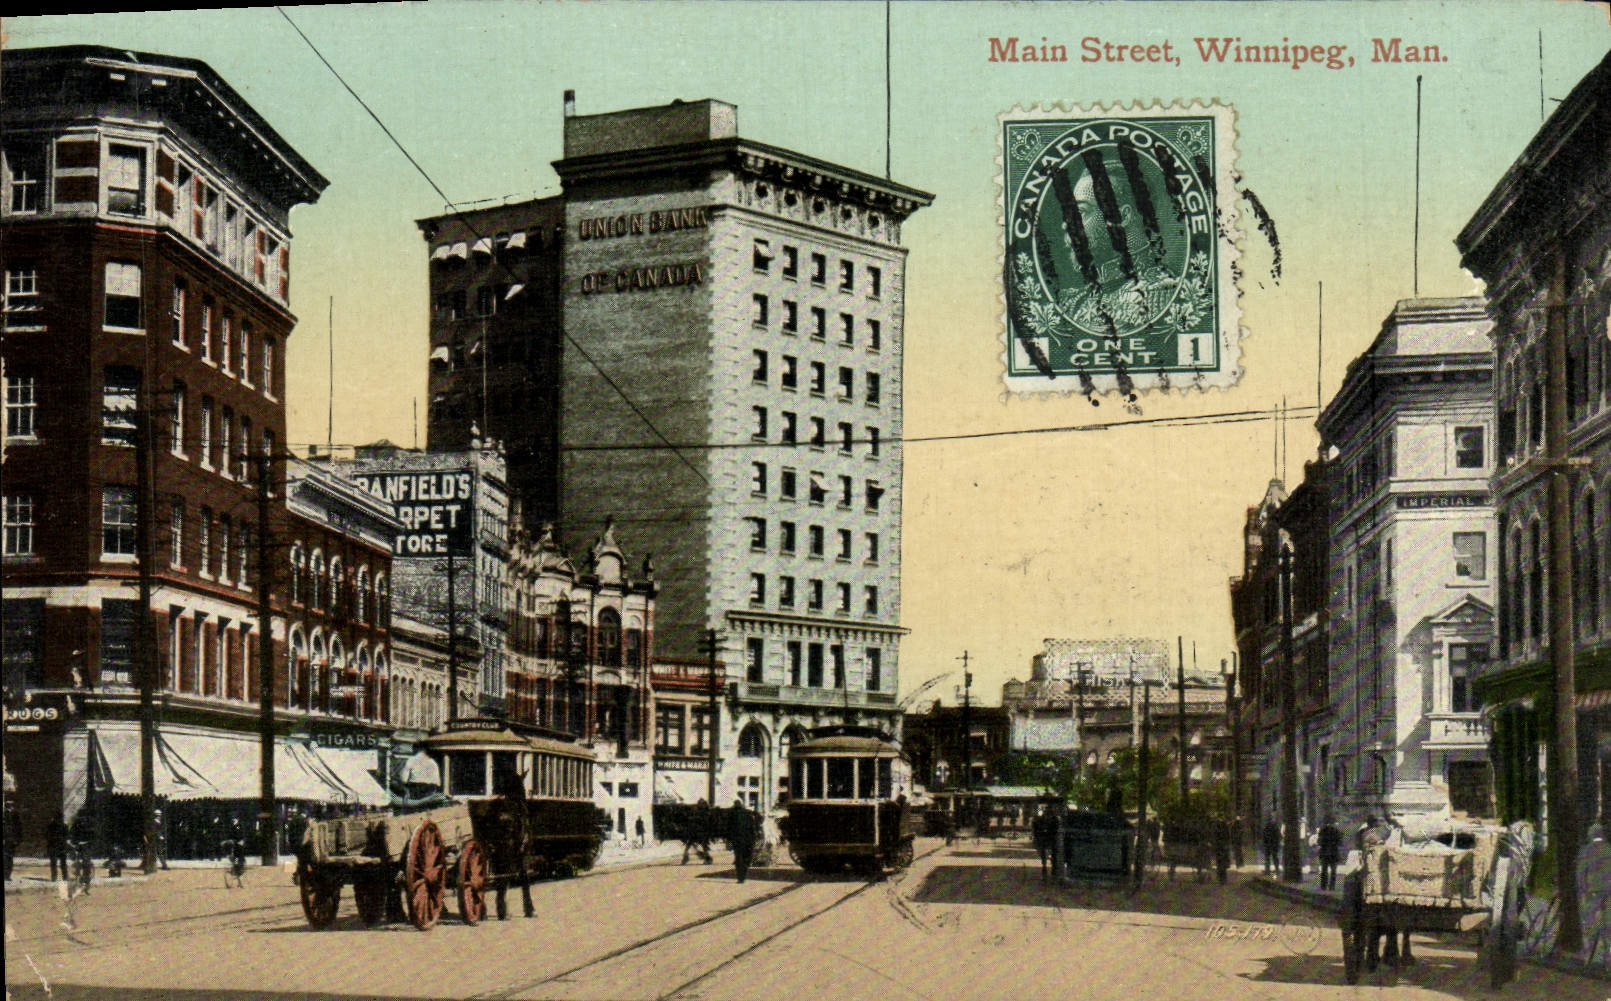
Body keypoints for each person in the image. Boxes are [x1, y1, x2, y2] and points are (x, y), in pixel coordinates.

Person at [728, 798, 757, 883]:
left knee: (738, 858)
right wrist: (754, 838)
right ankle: (743, 874)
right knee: (746, 857)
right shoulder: (748, 813)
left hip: (737, 840)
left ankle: (740, 877)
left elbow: (729, 829)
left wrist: (729, 840)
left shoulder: (731, 814)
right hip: (748, 839)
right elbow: (753, 827)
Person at [1317, 816, 1342, 891]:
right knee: (1333, 870)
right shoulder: (1336, 831)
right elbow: (1340, 842)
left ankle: (1323, 886)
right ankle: (1332, 886)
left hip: (1324, 852)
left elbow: (1319, 841)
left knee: (1324, 870)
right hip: (1333, 853)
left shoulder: (1323, 830)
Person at [47, 810, 69, 882]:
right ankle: (65, 877)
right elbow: (67, 836)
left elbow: (47, 836)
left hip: (54, 846)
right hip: (61, 846)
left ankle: (54, 877)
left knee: (54, 863)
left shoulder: (50, 826)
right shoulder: (64, 826)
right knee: (63, 863)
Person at [3, 800, 20, 882]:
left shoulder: (15, 815)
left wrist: (17, 840)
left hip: (10, 840)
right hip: (7, 840)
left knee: (9, 858)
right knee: (8, 858)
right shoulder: (5, 814)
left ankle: (7, 875)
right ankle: (7, 875)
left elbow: (18, 828)